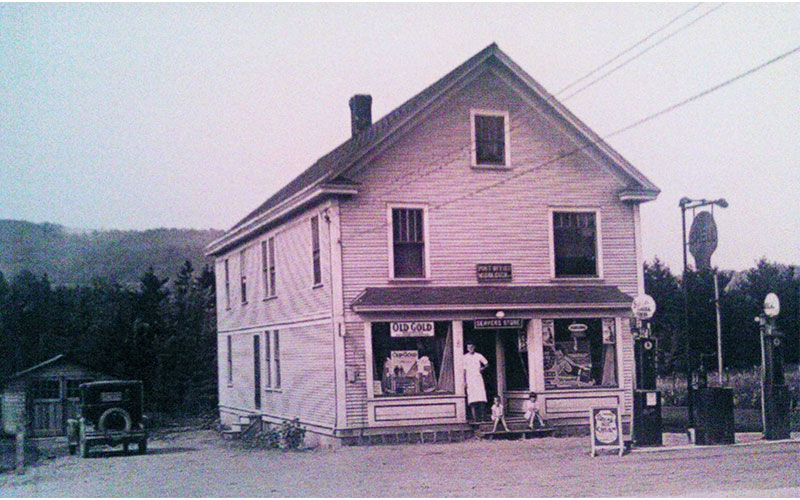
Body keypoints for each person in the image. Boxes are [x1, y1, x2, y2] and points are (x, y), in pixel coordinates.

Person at [463, 342, 488, 421]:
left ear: (474, 347)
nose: (470, 349)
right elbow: (464, 370)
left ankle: (483, 417)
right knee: (472, 399)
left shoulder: (478, 355)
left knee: (481, 397)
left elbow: (486, 363)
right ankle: (475, 418)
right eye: (469, 347)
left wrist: (482, 368)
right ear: (467, 348)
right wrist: (464, 381)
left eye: (472, 347)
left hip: (478, 378)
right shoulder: (464, 357)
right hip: (469, 379)